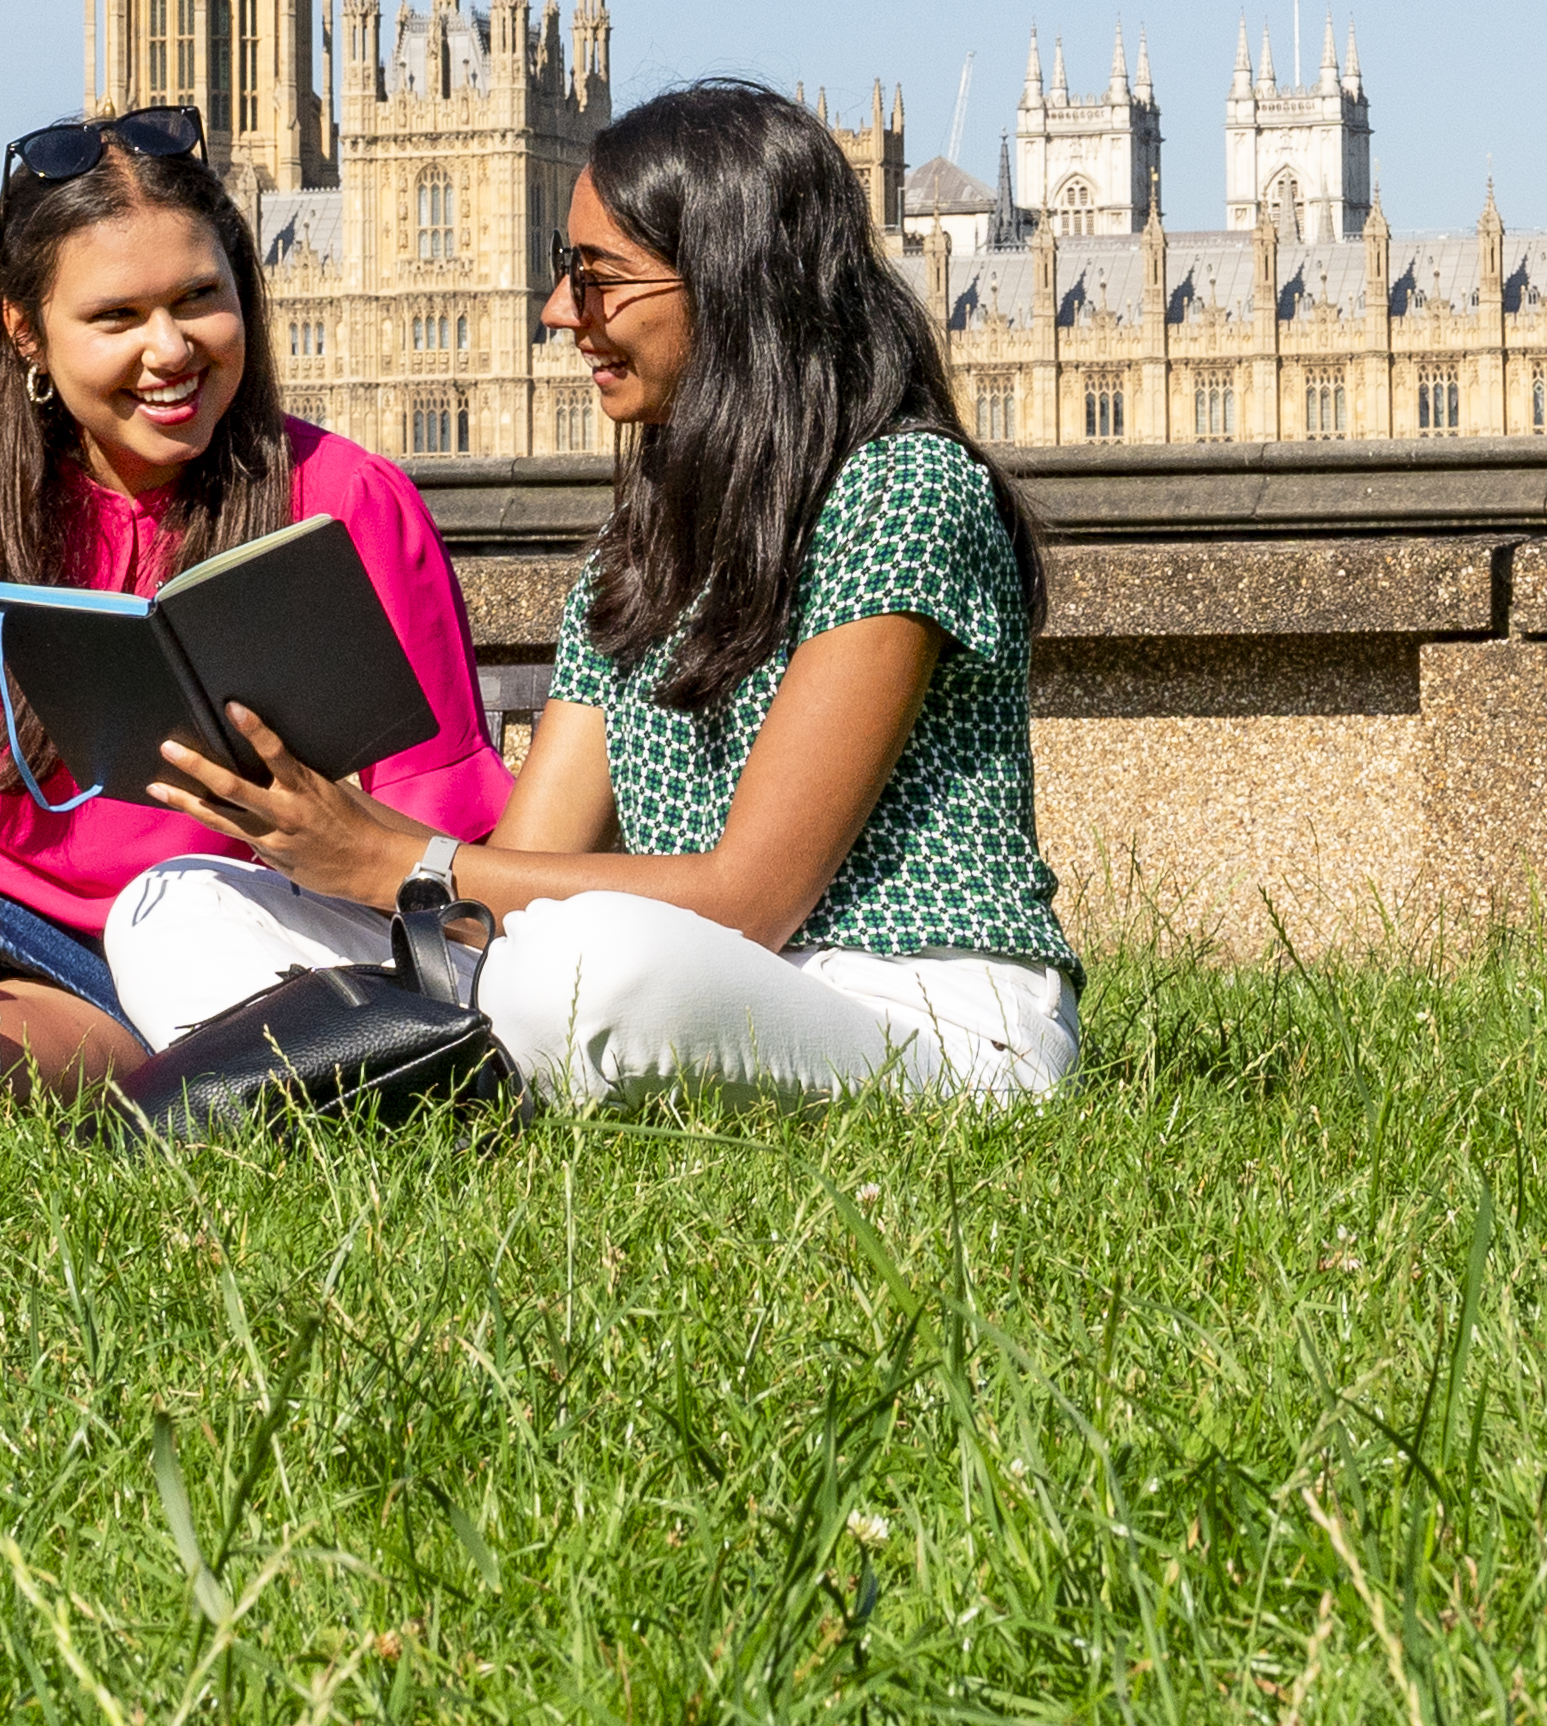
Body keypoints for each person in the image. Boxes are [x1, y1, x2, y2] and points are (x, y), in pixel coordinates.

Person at [123, 78, 1076, 1105]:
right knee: (172, 903)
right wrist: (334, 833)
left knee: (588, 963)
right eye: (559, 272)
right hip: (689, 977)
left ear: (731, 281)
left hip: (919, 1010)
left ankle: (381, 1079)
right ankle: (410, 1081)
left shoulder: (904, 489)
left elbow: (748, 898)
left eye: (594, 279)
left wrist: (393, 859)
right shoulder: (640, 545)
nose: (555, 312)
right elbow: (525, 866)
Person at [0, 107, 517, 1087]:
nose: (169, 348)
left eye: (197, 299)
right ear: (26, 332)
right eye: (116, 317)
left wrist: (328, 832)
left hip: (149, 948)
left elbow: (443, 823)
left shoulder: (342, 503)